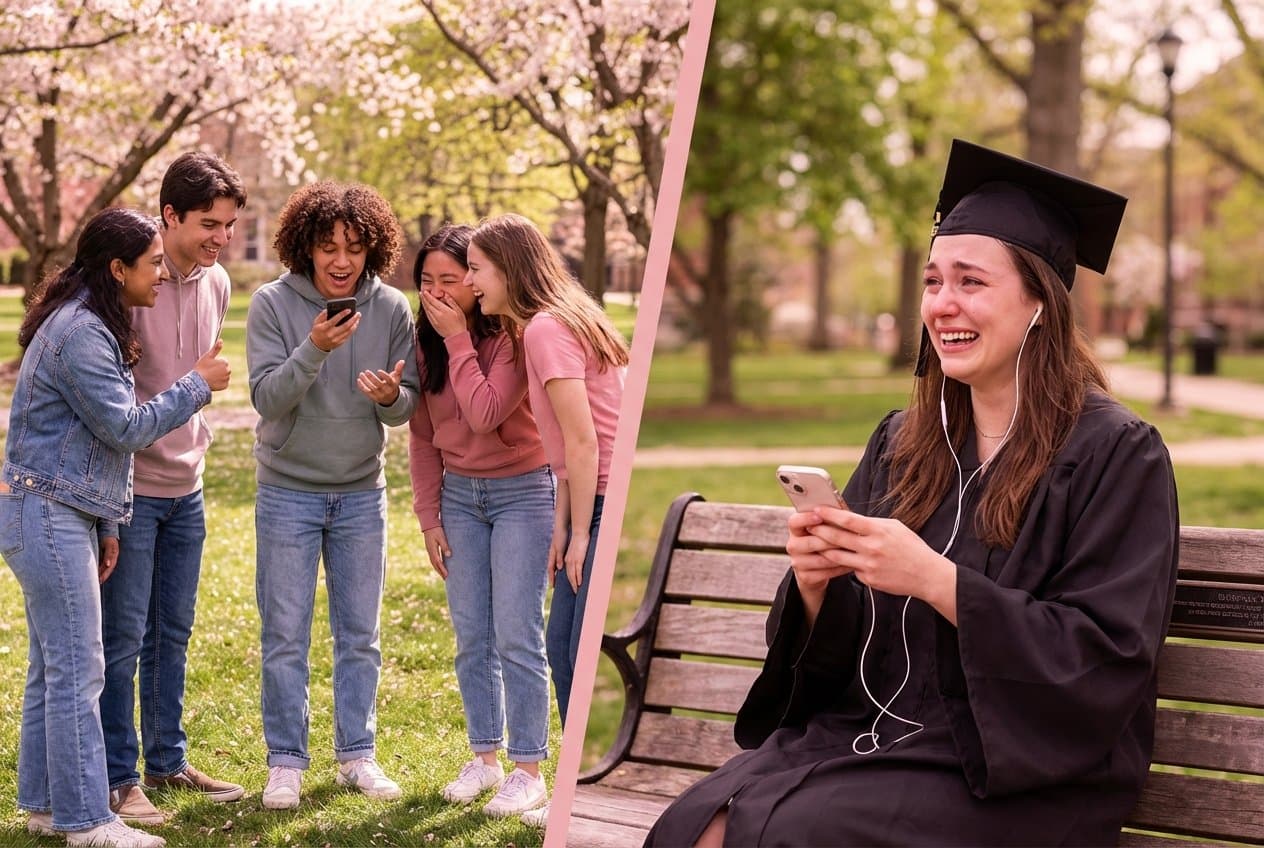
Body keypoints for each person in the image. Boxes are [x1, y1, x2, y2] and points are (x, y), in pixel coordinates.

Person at [644, 140, 1180, 847]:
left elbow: (1104, 656)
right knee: (694, 826)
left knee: (783, 835)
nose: (943, 304)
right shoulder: (905, 442)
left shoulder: (1116, 454)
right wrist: (814, 584)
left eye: (971, 282)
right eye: (933, 282)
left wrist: (937, 581)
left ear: (1041, 304)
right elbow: (849, 648)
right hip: (878, 736)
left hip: (1019, 776)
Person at [0, 207, 231, 848]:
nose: (162, 274)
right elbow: (125, 428)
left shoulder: (95, 321)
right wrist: (196, 386)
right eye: (153, 263)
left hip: (60, 508)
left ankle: (46, 805)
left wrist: (107, 521)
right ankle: (87, 819)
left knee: (53, 667)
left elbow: (95, 445)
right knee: (79, 667)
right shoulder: (80, 331)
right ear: (117, 268)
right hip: (44, 511)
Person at [246, 180, 419, 810]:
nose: (341, 260)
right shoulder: (272, 304)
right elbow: (266, 398)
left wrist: (389, 399)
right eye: (328, 247)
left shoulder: (394, 308)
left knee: (360, 634)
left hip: (360, 494)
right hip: (288, 491)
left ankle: (357, 756)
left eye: (353, 246)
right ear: (306, 248)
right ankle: (286, 761)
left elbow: (407, 408)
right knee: (285, 633)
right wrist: (313, 349)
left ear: (373, 248)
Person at [99, 151, 248, 827]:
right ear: (169, 217)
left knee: (174, 632)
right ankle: (118, 776)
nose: (222, 237)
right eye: (210, 223)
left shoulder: (216, 283)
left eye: (230, 225)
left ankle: (166, 759)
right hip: (131, 489)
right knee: (123, 636)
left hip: (187, 486)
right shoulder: (137, 285)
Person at [467, 213, 628, 827]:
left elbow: (586, 442)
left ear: (509, 267)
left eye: (478, 269)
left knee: (571, 651)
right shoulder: (559, 319)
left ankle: (567, 795)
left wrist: (585, 532)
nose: (473, 283)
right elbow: (564, 449)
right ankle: (568, 790)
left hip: (605, 498)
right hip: (586, 497)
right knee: (563, 647)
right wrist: (564, 525)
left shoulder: (545, 330)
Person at [407, 224, 555, 817]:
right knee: (472, 635)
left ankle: (528, 768)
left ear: (476, 278)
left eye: (453, 279)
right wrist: (428, 516)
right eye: (427, 282)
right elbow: (422, 436)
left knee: (517, 632)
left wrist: (460, 339)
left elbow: (486, 411)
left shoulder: (515, 337)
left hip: (523, 493)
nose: (440, 293)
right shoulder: (427, 343)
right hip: (461, 501)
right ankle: (485, 757)